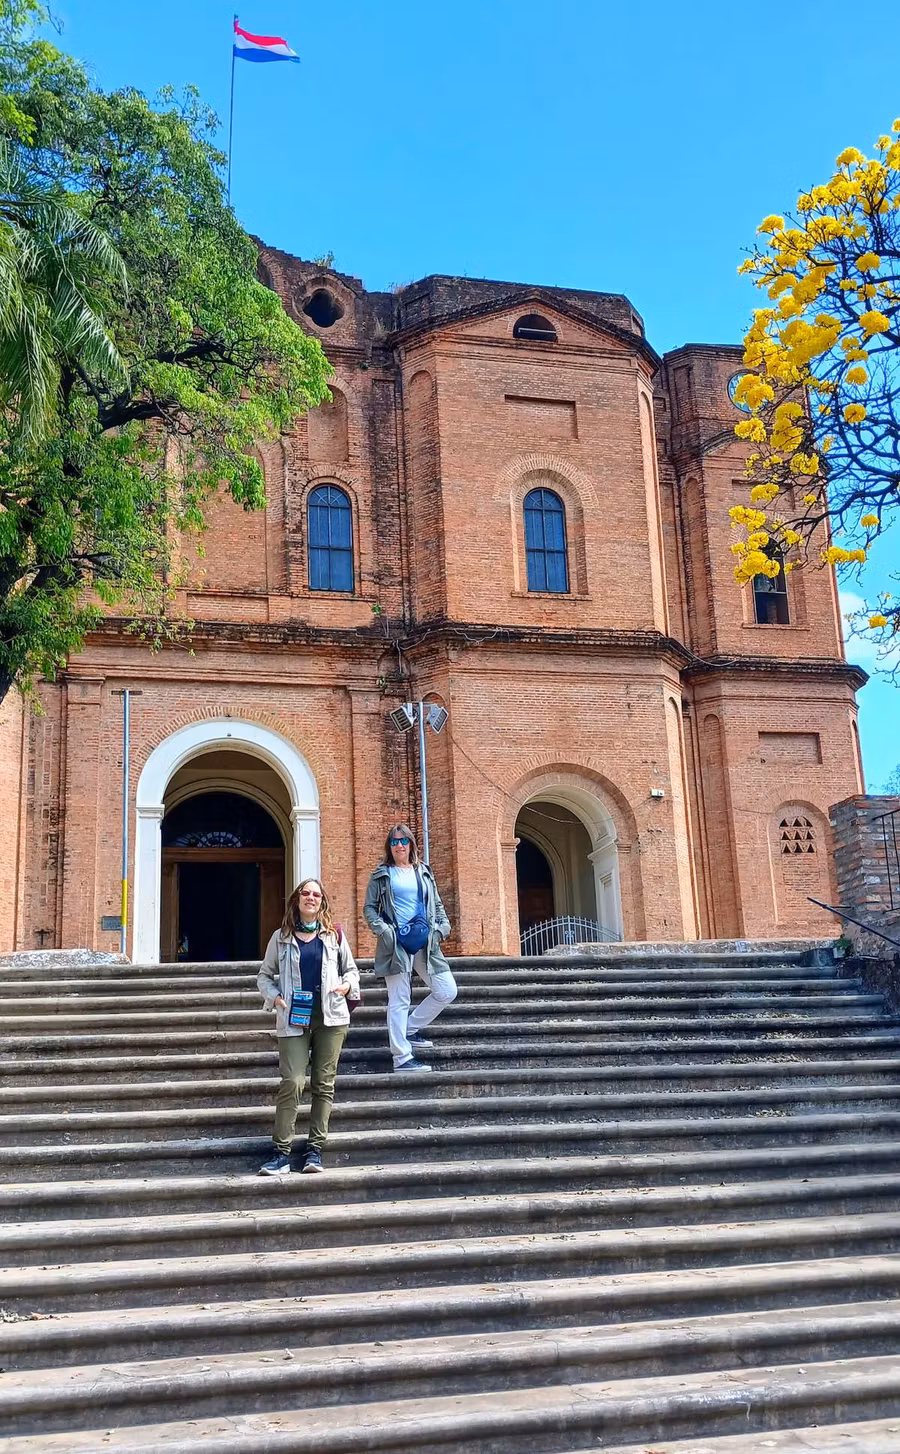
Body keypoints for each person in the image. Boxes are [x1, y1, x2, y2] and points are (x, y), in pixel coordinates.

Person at [257, 878, 360, 1175]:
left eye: (316, 894)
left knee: (324, 1084)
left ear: (322, 901)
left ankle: (315, 1149)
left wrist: (345, 985)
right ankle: (281, 1152)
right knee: (292, 1081)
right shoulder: (281, 937)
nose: (310, 898)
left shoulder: (334, 936)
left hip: (330, 1017)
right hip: (294, 1018)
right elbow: (264, 975)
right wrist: (274, 996)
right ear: (296, 900)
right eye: (305, 893)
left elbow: (352, 970)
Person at [363, 824, 456, 1072]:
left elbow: (436, 904)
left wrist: (441, 929)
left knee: (447, 990)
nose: (399, 845)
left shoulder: (424, 871)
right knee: (399, 999)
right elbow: (369, 908)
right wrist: (384, 931)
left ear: (412, 844)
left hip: (425, 941)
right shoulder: (382, 874)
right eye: (394, 842)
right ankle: (401, 1058)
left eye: (404, 841)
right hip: (396, 944)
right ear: (389, 847)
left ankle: (408, 1029)